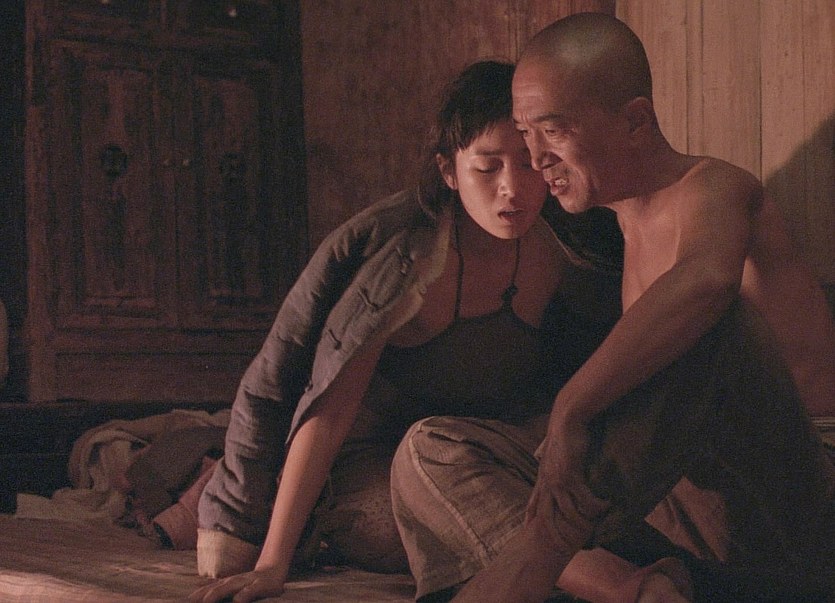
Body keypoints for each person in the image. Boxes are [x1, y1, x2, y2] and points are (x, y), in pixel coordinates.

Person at [391, 12, 835, 603]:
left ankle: (536, 559)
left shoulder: (715, 187)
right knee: (431, 450)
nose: (536, 158)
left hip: (794, 507)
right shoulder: (612, 229)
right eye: (524, 133)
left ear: (635, 120)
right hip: (683, 513)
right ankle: (635, 588)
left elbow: (707, 282)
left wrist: (572, 406)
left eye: (552, 131)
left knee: (709, 322)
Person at [188, 59, 625, 603]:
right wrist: (273, 563)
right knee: (400, 528)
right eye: (486, 168)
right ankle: (614, 585)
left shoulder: (566, 247)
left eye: (527, 164)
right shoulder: (409, 264)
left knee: (582, 496)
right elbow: (329, 410)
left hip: (481, 448)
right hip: (381, 459)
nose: (511, 189)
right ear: (449, 171)